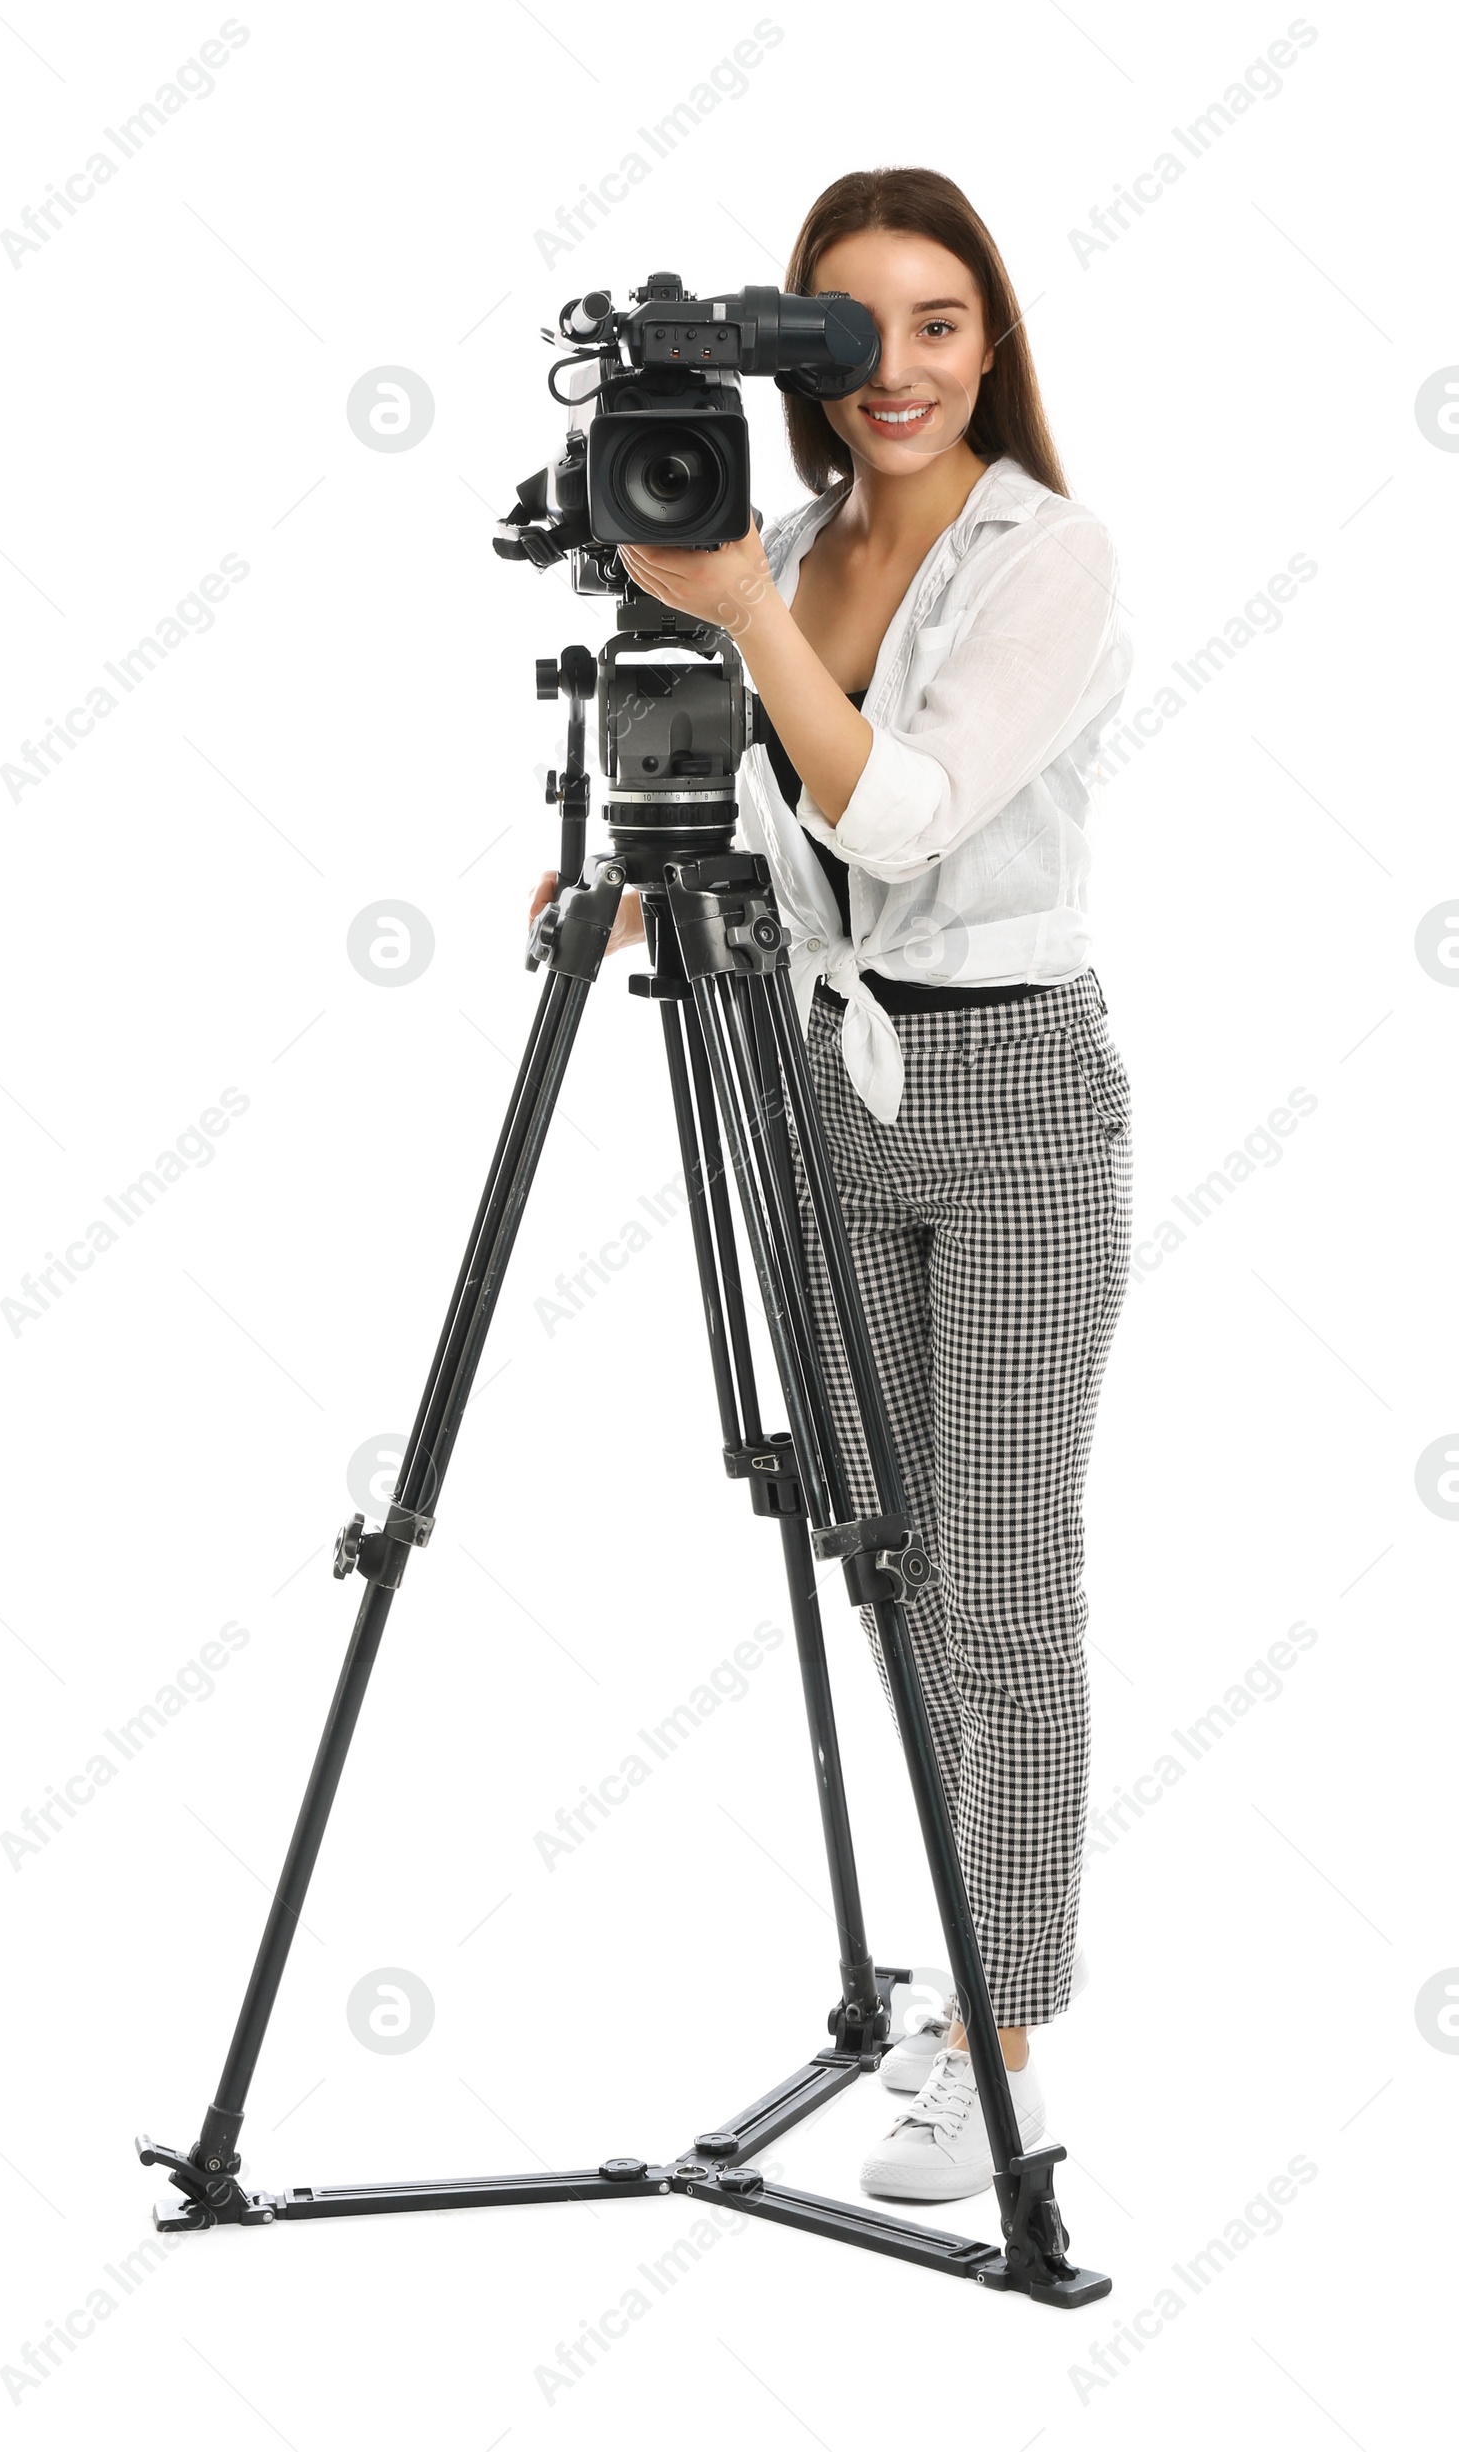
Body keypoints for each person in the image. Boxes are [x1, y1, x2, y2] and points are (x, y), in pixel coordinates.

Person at [528, 167, 1133, 2203]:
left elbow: (905, 811)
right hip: (818, 1087)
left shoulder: (1042, 558)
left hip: (1012, 1090)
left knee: (1005, 1588)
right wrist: (626, 898)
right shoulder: (767, 540)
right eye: (854, 323)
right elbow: (788, 861)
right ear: (792, 344)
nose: (897, 365)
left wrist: (744, 619)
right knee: (886, 1558)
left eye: (940, 320)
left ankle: (1001, 2034)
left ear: (989, 342)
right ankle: (952, 1965)